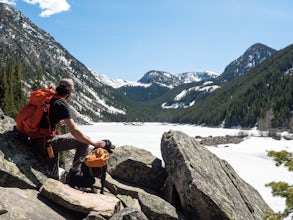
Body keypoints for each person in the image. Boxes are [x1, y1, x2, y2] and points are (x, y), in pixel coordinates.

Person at [30, 78, 105, 180]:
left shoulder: (48, 98)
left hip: (33, 139)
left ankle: (57, 174)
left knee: (54, 176)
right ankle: (73, 174)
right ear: (69, 93)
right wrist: (94, 143)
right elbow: (74, 131)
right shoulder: (61, 104)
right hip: (44, 144)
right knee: (83, 142)